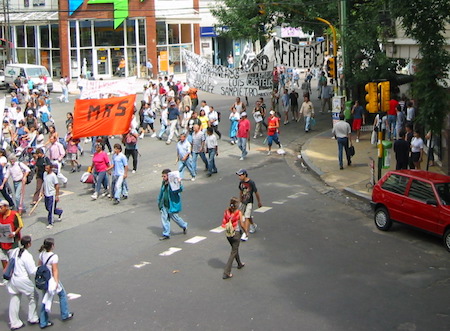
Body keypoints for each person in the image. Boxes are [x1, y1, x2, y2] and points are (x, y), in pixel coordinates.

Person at [38, 238, 74, 329]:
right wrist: (57, 282)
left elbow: (39, 266)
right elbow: (55, 270)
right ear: (52, 246)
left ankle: (43, 321)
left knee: (45, 300)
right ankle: (65, 314)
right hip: (52, 280)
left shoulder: (41, 254)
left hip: (44, 280)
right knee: (62, 295)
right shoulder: (54, 257)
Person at [6, 235, 39, 330]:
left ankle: (14, 322)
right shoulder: (27, 256)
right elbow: (32, 271)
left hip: (13, 279)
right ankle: (33, 317)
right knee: (33, 296)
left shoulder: (15, 251)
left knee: (15, 299)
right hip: (23, 280)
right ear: (29, 244)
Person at [157, 169, 188, 240]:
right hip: (164, 204)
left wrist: (179, 183)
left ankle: (184, 225)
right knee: (164, 218)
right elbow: (161, 193)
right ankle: (166, 234)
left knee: (175, 218)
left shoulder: (173, 183)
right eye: (162, 176)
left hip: (172, 205)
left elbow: (179, 190)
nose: (163, 178)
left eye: (164, 176)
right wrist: (159, 202)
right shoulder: (164, 183)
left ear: (168, 176)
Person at [220, 197, 246, 279]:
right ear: (237, 205)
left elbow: (224, 223)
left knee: (235, 249)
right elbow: (242, 224)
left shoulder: (226, 211)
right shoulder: (238, 213)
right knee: (233, 252)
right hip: (236, 234)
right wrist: (246, 232)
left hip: (228, 234)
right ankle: (227, 272)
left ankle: (239, 263)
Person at [236, 169, 262, 241]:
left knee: (247, 216)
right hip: (243, 202)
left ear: (244, 175)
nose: (239, 177)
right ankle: (253, 225)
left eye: (240, 175)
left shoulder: (251, 182)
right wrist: (240, 200)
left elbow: (256, 192)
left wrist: (259, 202)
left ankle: (245, 233)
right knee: (242, 216)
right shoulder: (241, 182)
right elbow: (241, 191)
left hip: (249, 202)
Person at [0, 200, 23, 277]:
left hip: (13, 242)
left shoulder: (14, 214)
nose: (0, 209)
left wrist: (14, 233)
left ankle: (16, 275)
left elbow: (20, 225)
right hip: (2, 241)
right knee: (3, 259)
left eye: (1, 207)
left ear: (6, 207)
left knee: (13, 259)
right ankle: (6, 275)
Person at [43, 163, 63, 229]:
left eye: (47, 168)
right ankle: (59, 212)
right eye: (45, 168)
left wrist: (57, 196)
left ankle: (50, 223)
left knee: (50, 210)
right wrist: (42, 191)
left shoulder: (53, 176)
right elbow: (44, 183)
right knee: (48, 208)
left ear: (50, 168)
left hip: (52, 195)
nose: (45, 169)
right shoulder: (44, 174)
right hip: (46, 194)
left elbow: (57, 186)